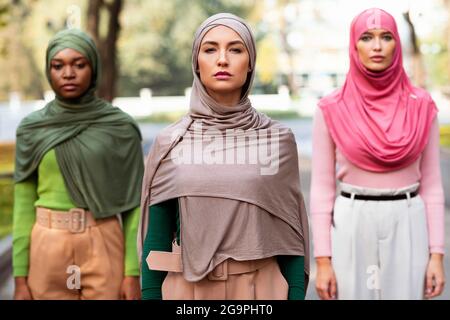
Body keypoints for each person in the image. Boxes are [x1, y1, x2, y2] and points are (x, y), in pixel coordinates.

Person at [138, 13, 310, 300]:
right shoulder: (171, 141)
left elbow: (290, 238)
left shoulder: (276, 139)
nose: (222, 60)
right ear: (196, 61)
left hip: (262, 290)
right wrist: (150, 294)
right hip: (187, 291)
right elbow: (157, 236)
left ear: (250, 61)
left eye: (235, 49)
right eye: (210, 49)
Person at [310, 8, 445, 300]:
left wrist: (437, 254)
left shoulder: (422, 106)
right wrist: (323, 261)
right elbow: (321, 188)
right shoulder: (331, 108)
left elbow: (432, 185)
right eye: (367, 37)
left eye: (386, 37)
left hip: (408, 217)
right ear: (353, 45)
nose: (377, 46)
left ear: (397, 44)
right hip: (353, 218)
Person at [12, 29, 143, 300]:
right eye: (58, 66)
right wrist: (20, 278)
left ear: (93, 67)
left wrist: (132, 273)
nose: (68, 73)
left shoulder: (119, 127)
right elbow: (23, 203)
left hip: (104, 242)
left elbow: (134, 204)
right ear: (49, 70)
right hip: (47, 245)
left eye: (79, 64)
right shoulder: (33, 128)